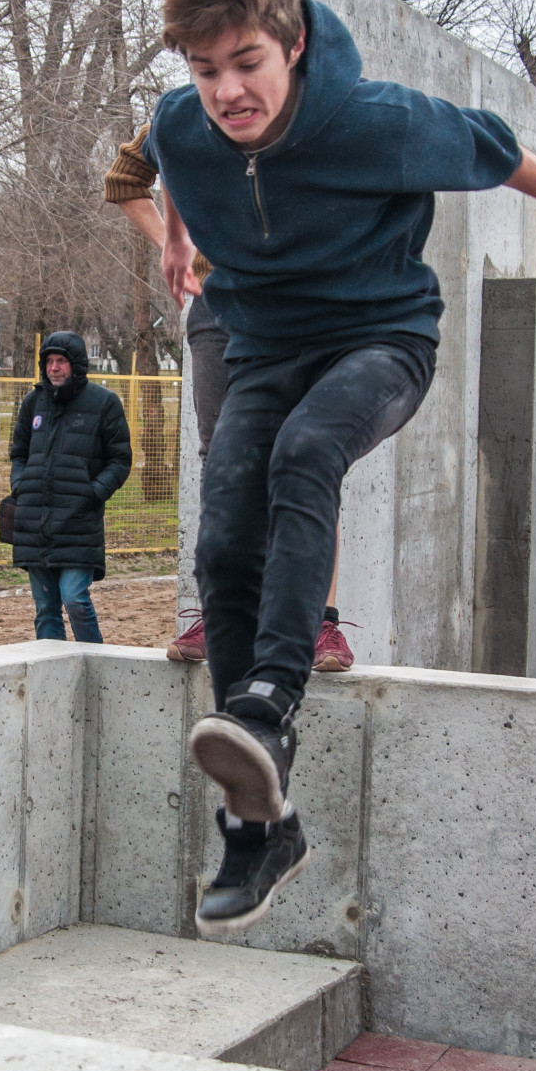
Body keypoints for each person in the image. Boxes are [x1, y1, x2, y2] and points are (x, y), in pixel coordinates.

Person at [143, 0, 536, 935]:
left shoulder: (373, 120)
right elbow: (170, 162)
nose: (228, 93)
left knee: (306, 453)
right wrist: (179, 244)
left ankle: (267, 701)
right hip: (265, 348)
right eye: (207, 70)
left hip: (379, 342)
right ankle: (258, 824)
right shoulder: (183, 123)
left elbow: (494, 145)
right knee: (223, 539)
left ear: (294, 44)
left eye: (248, 65)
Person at [105, 127, 355, 671]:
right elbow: (124, 181)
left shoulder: (309, 109)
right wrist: (178, 244)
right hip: (218, 312)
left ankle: (320, 624)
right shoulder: (182, 117)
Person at [9, 332, 132, 643]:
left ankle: (96, 664)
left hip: (79, 520)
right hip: (34, 520)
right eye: (49, 362)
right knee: (45, 607)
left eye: (61, 361)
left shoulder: (104, 402)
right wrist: (21, 485)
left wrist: (93, 493)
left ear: (76, 365)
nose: (54, 368)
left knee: (74, 597)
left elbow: (120, 460)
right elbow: (18, 453)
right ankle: (54, 677)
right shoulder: (33, 402)